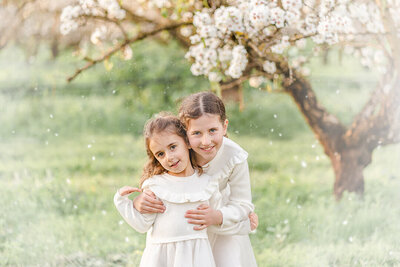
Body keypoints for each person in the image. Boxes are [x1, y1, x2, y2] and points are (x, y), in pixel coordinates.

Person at [133, 92, 258, 267]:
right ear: (185, 134)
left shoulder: (234, 157)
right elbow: (159, 181)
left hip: (220, 223)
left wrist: (218, 216)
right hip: (185, 227)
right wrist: (140, 202)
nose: (206, 141)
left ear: (225, 126)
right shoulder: (178, 152)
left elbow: (243, 203)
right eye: (197, 133)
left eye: (213, 130)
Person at [114, 113, 246, 267]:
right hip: (162, 259)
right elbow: (142, 225)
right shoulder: (156, 186)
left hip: (198, 257)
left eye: (173, 147)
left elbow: (215, 221)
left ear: (187, 143)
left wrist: (244, 223)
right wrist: (121, 201)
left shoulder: (206, 184)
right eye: (160, 154)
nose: (169, 157)